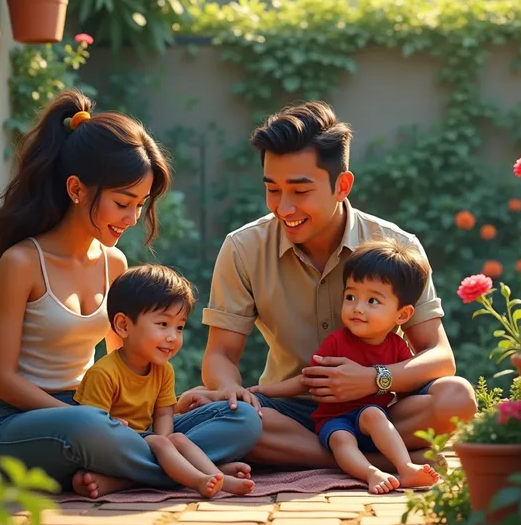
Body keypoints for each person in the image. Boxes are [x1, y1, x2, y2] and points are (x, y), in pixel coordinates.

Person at [0, 90, 262, 499]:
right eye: (122, 203)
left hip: (101, 414)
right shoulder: (23, 261)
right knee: (91, 429)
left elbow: (128, 361)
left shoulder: (114, 262)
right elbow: (3, 381)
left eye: (140, 205)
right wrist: (90, 418)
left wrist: (175, 404)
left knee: (243, 419)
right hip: (21, 425)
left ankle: (126, 474)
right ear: (77, 189)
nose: (132, 219)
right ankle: (188, 468)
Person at [179, 100, 477, 472]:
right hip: (289, 414)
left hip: (382, 408)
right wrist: (230, 390)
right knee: (230, 415)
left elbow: (439, 355)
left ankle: (347, 457)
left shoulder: (396, 244)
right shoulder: (243, 247)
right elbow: (220, 355)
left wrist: (372, 380)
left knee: (456, 398)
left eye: (300, 192)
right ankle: (375, 460)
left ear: (342, 185)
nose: (284, 207)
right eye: (272, 189)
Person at [250, 237, 441, 493]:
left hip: (371, 416)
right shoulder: (338, 342)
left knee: (374, 414)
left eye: (372, 301)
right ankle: (370, 472)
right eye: (350, 297)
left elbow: (406, 388)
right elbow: (307, 379)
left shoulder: (397, 346)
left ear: (403, 314)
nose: (357, 309)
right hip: (333, 418)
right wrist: (263, 392)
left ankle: (405, 467)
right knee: (341, 439)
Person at [75, 264, 256, 497]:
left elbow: (163, 414)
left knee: (176, 438)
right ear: (123, 325)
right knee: (161, 445)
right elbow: (89, 427)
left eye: (179, 327)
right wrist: (117, 426)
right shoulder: (104, 373)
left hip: (149, 440)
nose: (173, 337)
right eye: (163, 324)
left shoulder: (163, 370)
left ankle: (213, 475)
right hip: (119, 446)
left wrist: (165, 440)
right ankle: (197, 478)